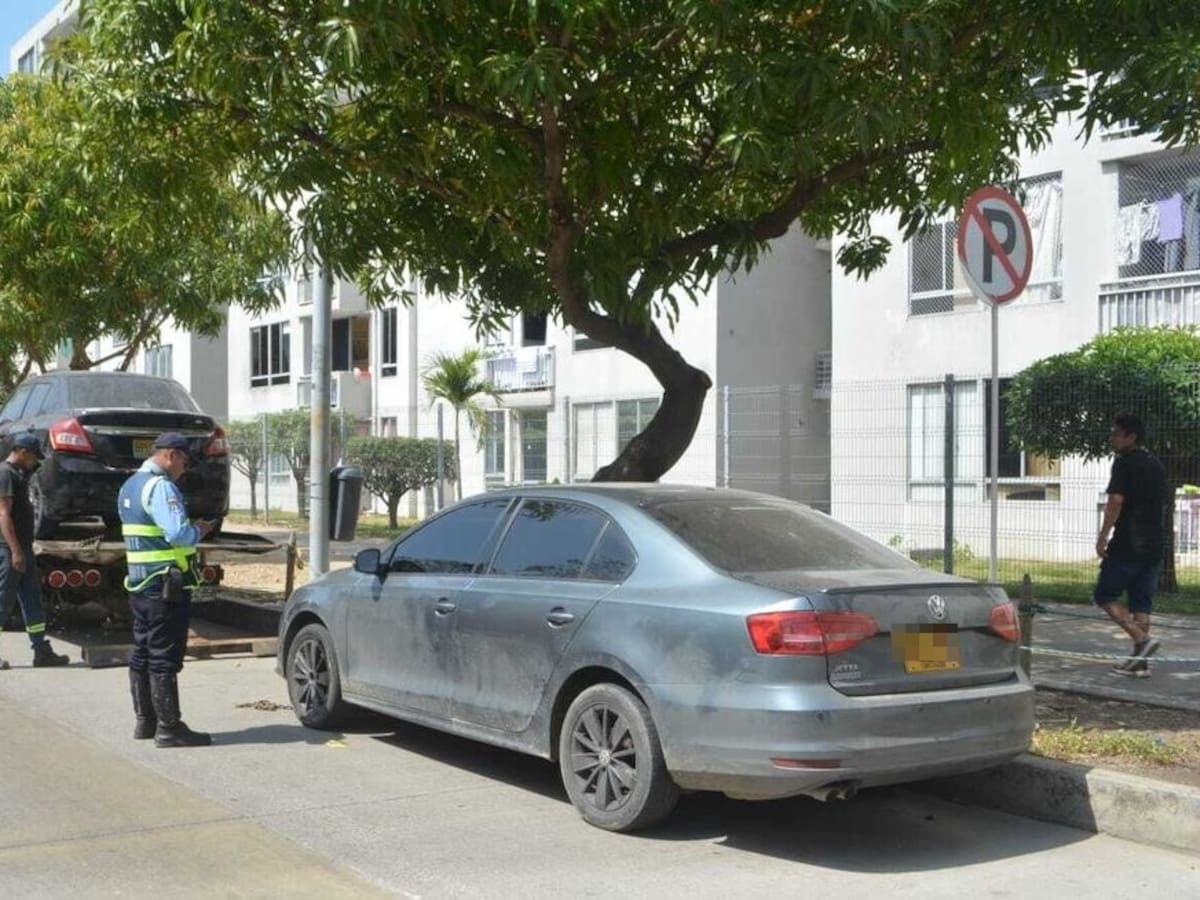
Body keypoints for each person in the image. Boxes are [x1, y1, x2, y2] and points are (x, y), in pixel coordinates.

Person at [119, 432, 217, 747]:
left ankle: (145, 721)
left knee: (143, 651)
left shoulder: (128, 487)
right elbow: (176, 534)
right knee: (164, 656)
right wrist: (197, 530)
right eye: (184, 462)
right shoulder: (161, 487)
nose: (184, 470)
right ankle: (169, 728)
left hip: (139, 582)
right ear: (172, 455)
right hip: (165, 585)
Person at [1095, 413, 1169, 678]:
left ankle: (1141, 639)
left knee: (1104, 594)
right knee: (1141, 604)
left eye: (1116, 433)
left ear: (1131, 437)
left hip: (1129, 543)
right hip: (1154, 544)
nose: (1112, 438)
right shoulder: (1156, 464)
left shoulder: (1124, 463)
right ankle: (1140, 663)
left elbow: (1116, 500)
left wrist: (1103, 535)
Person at [0, 434, 71, 670]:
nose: (33, 463)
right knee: (2, 601)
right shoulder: (5, 474)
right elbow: (3, 515)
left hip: (23, 549)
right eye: (32, 457)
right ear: (21, 451)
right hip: (10, 550)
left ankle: (41, 650)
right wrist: (15, 551)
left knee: (33, 601)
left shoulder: (18, 475)